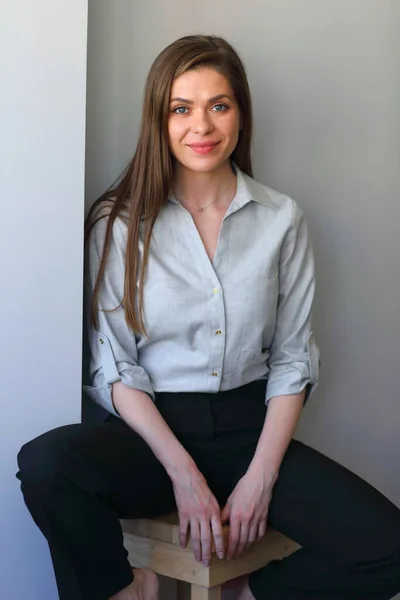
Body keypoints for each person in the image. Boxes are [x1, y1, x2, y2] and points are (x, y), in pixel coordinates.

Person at [17, 34, 400, 600]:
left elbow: (293, 359)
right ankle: (127, 590)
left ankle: (248, 596)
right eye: (181, 108)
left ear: (240, 115)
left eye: (219, 105)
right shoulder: (118, 221)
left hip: (250, 430)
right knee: (47, 464)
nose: (202, 126)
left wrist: (260, 479)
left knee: (387, 548)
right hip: (152, 436)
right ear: (159, 119)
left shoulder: (281, 219)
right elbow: (116, 368)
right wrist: (184, 475)